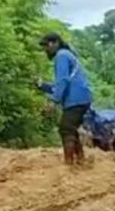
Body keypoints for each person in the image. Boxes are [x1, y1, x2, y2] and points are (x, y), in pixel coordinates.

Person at [36, 32, 93, 165]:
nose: (45, 49)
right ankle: (80, 160)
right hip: (82, 98)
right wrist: (42, 86)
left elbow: (63, 81)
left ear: (55, 43)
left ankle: (69, 164)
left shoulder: (61, 56)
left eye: (46, 45)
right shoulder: (67, 55)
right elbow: (61, 84)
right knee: (70, 128)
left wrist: (53, 101)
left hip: (76, 99)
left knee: (66, 128)